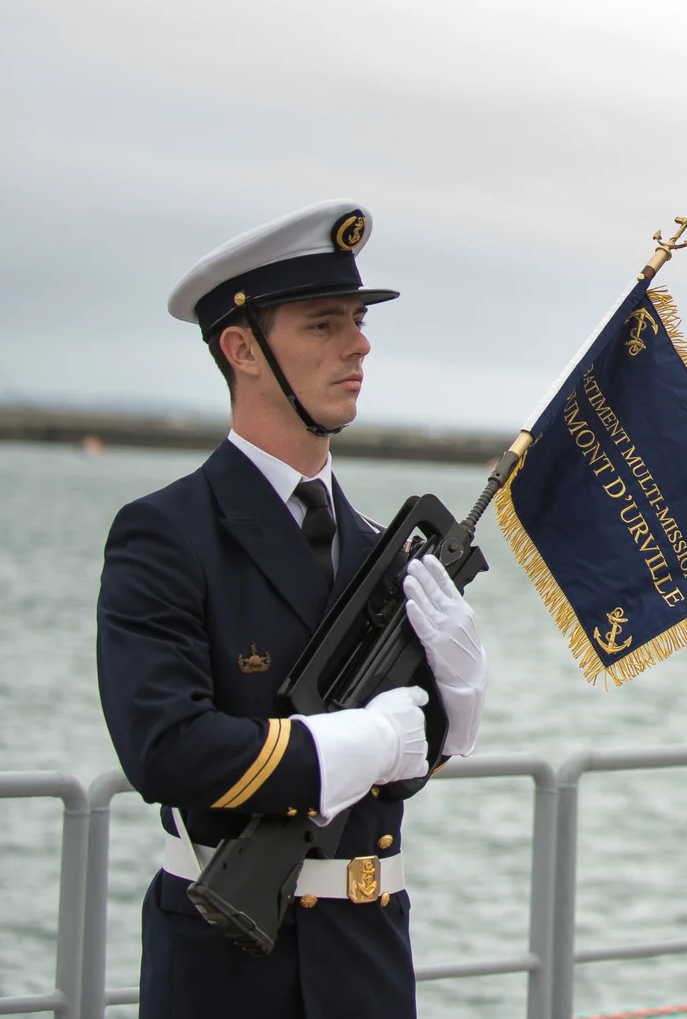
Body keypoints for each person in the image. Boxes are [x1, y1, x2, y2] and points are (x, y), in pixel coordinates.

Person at [96, 201, 489, 1019]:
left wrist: (455, 708)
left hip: (369, 958)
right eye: (322, 324)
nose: (358, 344)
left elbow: (397, 774)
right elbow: (164, 747)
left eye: (357, 320)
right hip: (228, 964)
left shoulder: (377, 545)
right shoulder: (167, 533)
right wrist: (360, 739)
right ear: (241, 350)